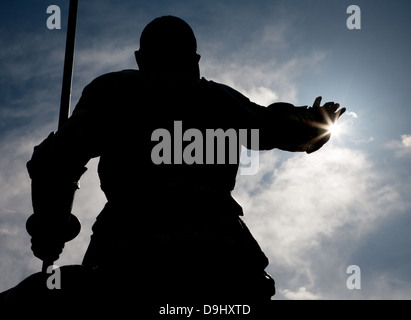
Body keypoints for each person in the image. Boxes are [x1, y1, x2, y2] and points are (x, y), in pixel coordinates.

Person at [23, 16, 345, 305]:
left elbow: (56, 161)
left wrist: (50, 230)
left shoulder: (116, 90)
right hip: (220, 257)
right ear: (195, 60)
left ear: (140, 59)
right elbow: (274, 126)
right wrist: (315, 123)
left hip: (130, 252)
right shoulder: (219, 100)